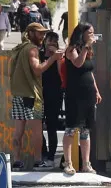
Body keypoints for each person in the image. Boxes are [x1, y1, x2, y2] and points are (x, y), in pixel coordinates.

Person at [9, 22, 62, 170]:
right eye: (40, 33)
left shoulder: (18, 49)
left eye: (44, 33)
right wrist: (53, 58)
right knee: (36, 131)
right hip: (32, 96)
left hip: (18, 94)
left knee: (18, 131)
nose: (43, 36)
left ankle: (17, 161)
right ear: (31, 33)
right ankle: (38, 161)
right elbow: (38, 70)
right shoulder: (32, 49)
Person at [62, 23, 101, 175]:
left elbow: (89, 71)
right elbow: (78, 64)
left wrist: (96, 90)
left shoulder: (88, 50)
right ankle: (68, 162)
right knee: (71, 128)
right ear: (82, 34)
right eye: (90, 32)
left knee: (86, 130)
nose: (92, 35)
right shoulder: (72, 50)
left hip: (88, 93)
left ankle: (86, 163)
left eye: (93, 32)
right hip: (75, 94)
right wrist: (85, 47)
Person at [40, 31, 64, 167]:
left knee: (51, 126)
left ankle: (51, 156)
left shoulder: (59, 57)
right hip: (39, 94)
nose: (51, 44)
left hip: (54, 94)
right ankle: (43, 152)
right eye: (49, 41)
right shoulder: (39, 55)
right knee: (38, 125)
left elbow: (62, 74)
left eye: (54, 42)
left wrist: (57, 57)